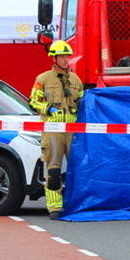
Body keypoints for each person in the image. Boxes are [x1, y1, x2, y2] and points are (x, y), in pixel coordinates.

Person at [29, 40, 84, 219]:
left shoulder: (75, 79)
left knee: (77, 168)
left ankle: (76, 204)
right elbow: (33, 101)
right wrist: (48, 108)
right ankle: (54, 207)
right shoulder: (43, 79)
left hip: (73, 131)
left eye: (67, 56)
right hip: (53, 129)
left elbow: (83, 103)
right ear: (54, 58)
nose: (66, 59)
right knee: (53, 170)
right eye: (62, 56)